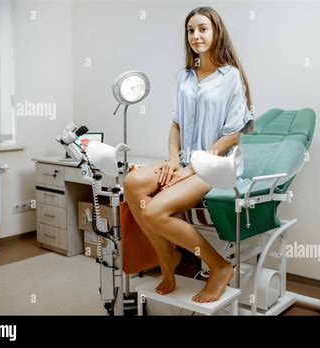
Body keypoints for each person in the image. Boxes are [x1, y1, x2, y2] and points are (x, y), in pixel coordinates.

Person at [123, 6, 254, 303]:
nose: (196, 35)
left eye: (203, 29)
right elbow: (175, 125)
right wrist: (173, 161)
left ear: (216, 32)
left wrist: (193, 168)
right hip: (185, 162)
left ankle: (219, 267)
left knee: (154, 211)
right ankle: (166, 255)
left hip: (218, 166)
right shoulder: (183, 76)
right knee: (131, 183)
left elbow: (233, 134)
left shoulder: (230, 76)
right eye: (191, 30)